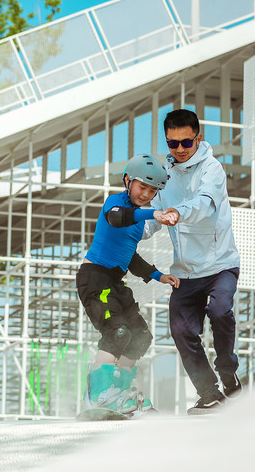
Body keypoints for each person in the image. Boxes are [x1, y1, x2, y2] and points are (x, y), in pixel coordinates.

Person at [144, 108, 243, 415]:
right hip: (186, 273)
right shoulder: (165, 176)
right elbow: (155, 216)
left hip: (220, 264)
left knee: (220, 310)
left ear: (198, 138)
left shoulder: (212, 169)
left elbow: (205, 204)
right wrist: (131, 229)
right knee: (181, 330)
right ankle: (210, 395)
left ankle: (228, 371)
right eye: (173, 144)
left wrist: (179, 212)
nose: (181, 150)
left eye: (186, 142)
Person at [76, 154, 180, 414]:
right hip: (94, 279)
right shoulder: (116, 205)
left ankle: (119, 393)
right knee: (117, 331)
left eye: (152, 191)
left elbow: (129, 257)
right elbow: (117, 217)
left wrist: (159, 275)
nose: (145, 194)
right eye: (141, 187)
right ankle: (98, 394)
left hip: (115, 282)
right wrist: (154, 213)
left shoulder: (137, 223)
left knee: (141, 336)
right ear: (127, 181)